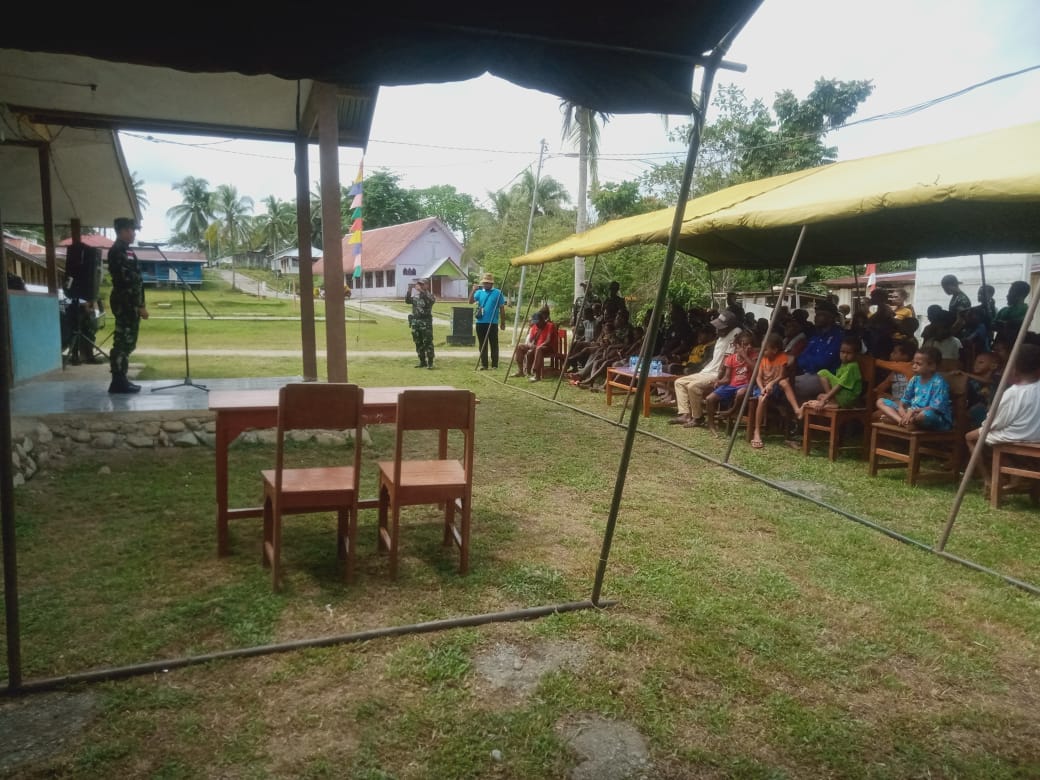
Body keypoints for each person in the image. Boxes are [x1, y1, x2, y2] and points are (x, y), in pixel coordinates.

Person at [965, 343, 1040, 494]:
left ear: (1014, 367)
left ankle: (988, 481)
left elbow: (994, 423)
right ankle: (1014, 477)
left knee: (971, 437)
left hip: (1016, 436)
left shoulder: (1013, 392)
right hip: (1036, 435)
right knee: (995, 437)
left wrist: (985, 424)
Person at [667, 309, 742, 428]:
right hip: (707, 371)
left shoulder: (735, 333)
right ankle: (685, 414)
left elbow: (727, 359)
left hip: (716, 374)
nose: (718, 329)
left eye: (721, 327)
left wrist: (720, 377)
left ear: (730, 327)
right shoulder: (721, 337)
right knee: (679, 382)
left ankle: (698, 418)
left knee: (693, 386)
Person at [107, 217, 148, 394]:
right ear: (123, 231)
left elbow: (137, 280)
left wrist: (141, 303)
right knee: (123, 341)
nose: (133, 233)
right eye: (131, 230)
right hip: (125, 303)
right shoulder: (117, 251)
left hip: (130, 303)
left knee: (128, 342)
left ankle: (121, 378)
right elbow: (128, 281)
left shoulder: (127, 251)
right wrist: (138, 305)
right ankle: (118, 381)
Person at [875, 346, 952, 430]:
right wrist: (901, 409)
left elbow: (936, 407)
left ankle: (899, 421)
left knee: (924, 415)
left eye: (918, 364)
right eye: (913, 363)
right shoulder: (914, 379)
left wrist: (913, 411)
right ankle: (902, 422)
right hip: (910, 413)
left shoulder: (939, 382)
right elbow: (904, 400)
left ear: (932, 366)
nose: (914, 366)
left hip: (930, 416)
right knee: (881, 401)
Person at [704, 331, 756, 437]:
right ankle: (711, 424)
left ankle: (731, 411)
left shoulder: (754, 356)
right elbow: (727, 378)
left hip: (746, 385)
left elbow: (756, 370)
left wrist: (745, 356)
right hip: (731, 385)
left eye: (750, 344)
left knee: (741, 393)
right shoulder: (731, 359)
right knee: (710, 398)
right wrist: (718, 382)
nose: (749, 347)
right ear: (738, 345)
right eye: (745, 344)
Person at [799, 336, 864, 419]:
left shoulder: (852, 367)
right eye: (842, 352)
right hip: (843, 396)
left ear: (856, 354)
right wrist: (825, 398)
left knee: (823, 373)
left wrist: (825, 400)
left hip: (848, 397)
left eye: (848, 353)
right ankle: (832, 401)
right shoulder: (844, 365)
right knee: (819, 396)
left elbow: (839, 386)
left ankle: (832, 402)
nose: (844, 355)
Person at [749, 332, 789, 449]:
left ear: (775, 349)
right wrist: (762, 388)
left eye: (765, 349)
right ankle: (757, 431)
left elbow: (782, 375)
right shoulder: (763, 359)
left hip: (774, 387)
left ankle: (757, 431)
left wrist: (771, 384)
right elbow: (758, 377)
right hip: (761, 387)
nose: (762, 351)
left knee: (764, 397)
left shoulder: (782, 358)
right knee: (762, 397)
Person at [470, 272, 506, 370]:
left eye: (488, 283)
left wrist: (503, 322)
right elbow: (470, 301)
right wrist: (473, 290)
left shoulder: (498, 293)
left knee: (494, 344)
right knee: (482, 344)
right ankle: (484, 364)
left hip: (492, 322)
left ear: (491, 284)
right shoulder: (479, 292)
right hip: (480, 322)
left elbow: (502, 308)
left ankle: (494, 364)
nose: (486, 284)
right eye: (484, 283)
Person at [405, 277, 435, 368]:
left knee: (428, 342)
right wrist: (409, 290)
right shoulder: (416, 296)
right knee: (418, 342)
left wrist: (421, 291)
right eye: (419, 284)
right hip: (416, 322)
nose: (420, 286)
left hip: (425, 323)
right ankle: (422, 361)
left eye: (422, 284)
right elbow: (407, 301)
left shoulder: (430, 295)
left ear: (426, 285)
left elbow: (429, 302)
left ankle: (430, 362)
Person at [993, 281, 1031, 345]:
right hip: (999, 343)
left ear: (1020, 295)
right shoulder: (1003, 310)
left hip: (1014, 345)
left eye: (1011, 292)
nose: (1007, 295)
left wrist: (1004, 324)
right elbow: (993, 325)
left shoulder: (1026, 310)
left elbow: (1021, 323)